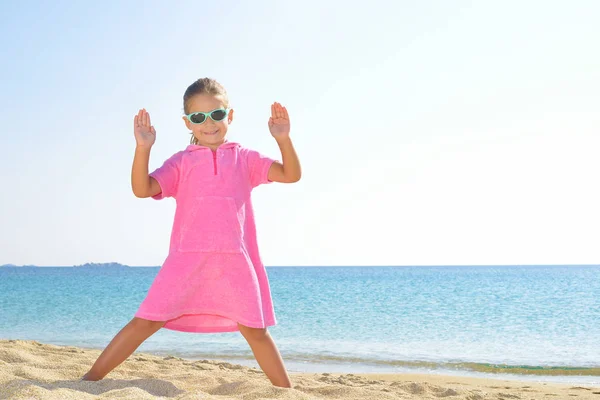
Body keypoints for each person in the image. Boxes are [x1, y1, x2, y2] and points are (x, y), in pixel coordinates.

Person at [81, 77, 301, 388]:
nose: (208, 124)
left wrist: (283, 138)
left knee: (255, 330)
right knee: (145, 321)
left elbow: (290, 174)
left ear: (230, 115)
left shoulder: (245, 159)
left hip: (234, 262)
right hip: (185, 261)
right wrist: (143, 147)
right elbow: (142, 189)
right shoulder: (181, 163)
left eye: (216, 115)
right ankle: (89, 380)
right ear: (187, 122)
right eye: (198, 117)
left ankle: (286, 392)